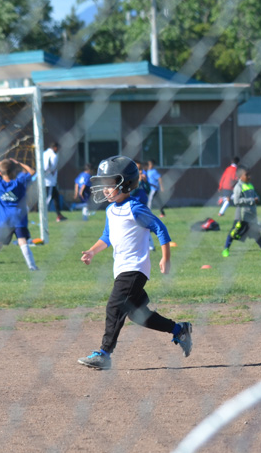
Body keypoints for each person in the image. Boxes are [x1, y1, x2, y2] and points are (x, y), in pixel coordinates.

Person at [77, 155, 193, 370]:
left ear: (125, 184)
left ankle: (104, 353)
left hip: (135, 268)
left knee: (114, 306)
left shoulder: (135, 208)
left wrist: (166, 257)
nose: (105, 189)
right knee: (138, 315)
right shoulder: (111, 210)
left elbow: (160, 228)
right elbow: (107, 236)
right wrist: (92, 251)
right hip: (122, 268)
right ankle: (180, 330)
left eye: (109, 184)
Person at [0, 158, 38, 273]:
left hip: (4, 220)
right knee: (22, 242)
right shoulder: (19, 182)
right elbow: (32, 172)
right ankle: (32, 267)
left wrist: (4, 160)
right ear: (14, 172)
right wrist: (19, 163)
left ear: (1, 173)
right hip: (18, 219)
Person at [222, 167, 261, 257]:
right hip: (241, 215)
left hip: (251, 214)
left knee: (256, 232)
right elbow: (236, 201)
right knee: (234, 232)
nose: (249, 176)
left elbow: (255, 196)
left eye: (250, 175)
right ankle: (226, 249)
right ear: (240, 176)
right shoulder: (238, 187)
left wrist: (257, 198)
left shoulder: (250, 185)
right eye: (247, 175)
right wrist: (251, 200)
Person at [42, 140, 67, 222]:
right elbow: (49, 168)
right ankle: (43, 217)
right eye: (58, 148)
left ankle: (59, 215)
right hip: (49, 182)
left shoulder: (44, 153)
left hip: (47, 180)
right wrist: (49, 172)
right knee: (48, 200)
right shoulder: (53, 155)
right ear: (55, 148)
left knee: (56, 197)